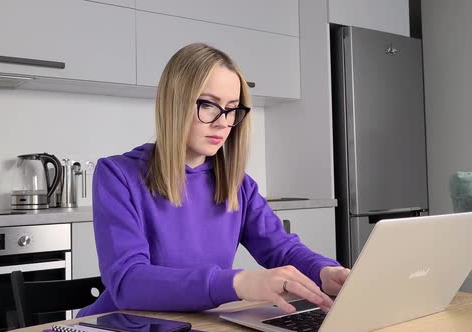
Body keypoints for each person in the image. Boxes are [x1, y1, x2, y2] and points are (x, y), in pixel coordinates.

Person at [77, 43, 350, 317]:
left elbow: (281, 248)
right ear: (175, 103)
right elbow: (128, 283)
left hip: (198, 323)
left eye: (231, 109)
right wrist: (237, 282)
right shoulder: (117, 175)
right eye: (208, 105)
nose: (223, 122)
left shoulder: (238, 185)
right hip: (126, 325)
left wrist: (324, 271)